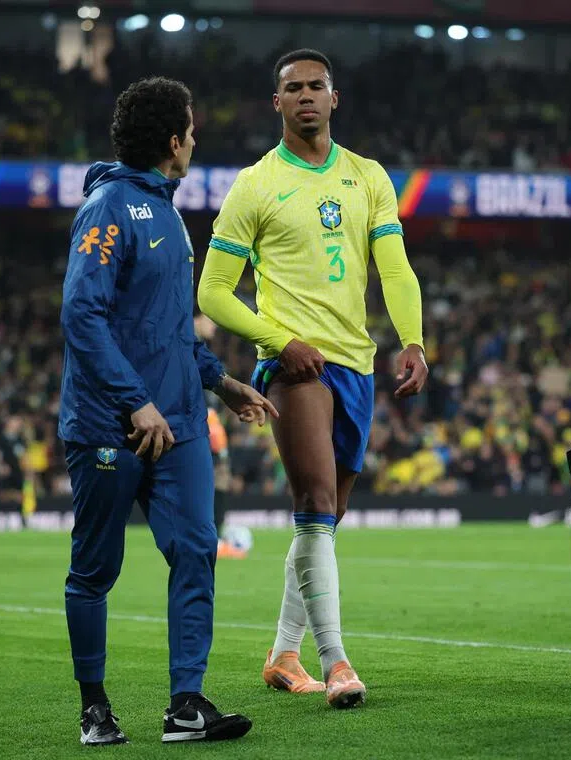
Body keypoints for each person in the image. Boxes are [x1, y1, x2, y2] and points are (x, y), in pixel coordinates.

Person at [197, 48, 427, 709]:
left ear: (334, 98)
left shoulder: (368, 176)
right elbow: (213, 293)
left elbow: (396, 270)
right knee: (318, 506)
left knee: (322, 523)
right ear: (277, 103)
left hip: (356, 365)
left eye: (315, 86)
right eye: (292, 88)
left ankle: (282, 654)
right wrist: (277, 340)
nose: (305, 96)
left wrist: (412, 339)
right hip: (295, 368)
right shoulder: (255, 185)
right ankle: (338, 664)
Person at [58, 75, 276, 746]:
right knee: (96, 569)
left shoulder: (169, 211)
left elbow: (170, 331)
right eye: (192, 129)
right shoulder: (109, 208)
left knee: (195, 551)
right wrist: (136, 403)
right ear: (174, 141)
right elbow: (81, 315)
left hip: (177, 423)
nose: (196, 139)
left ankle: (187, 703)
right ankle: (95, 709)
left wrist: (221, 382)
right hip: (110, 427)